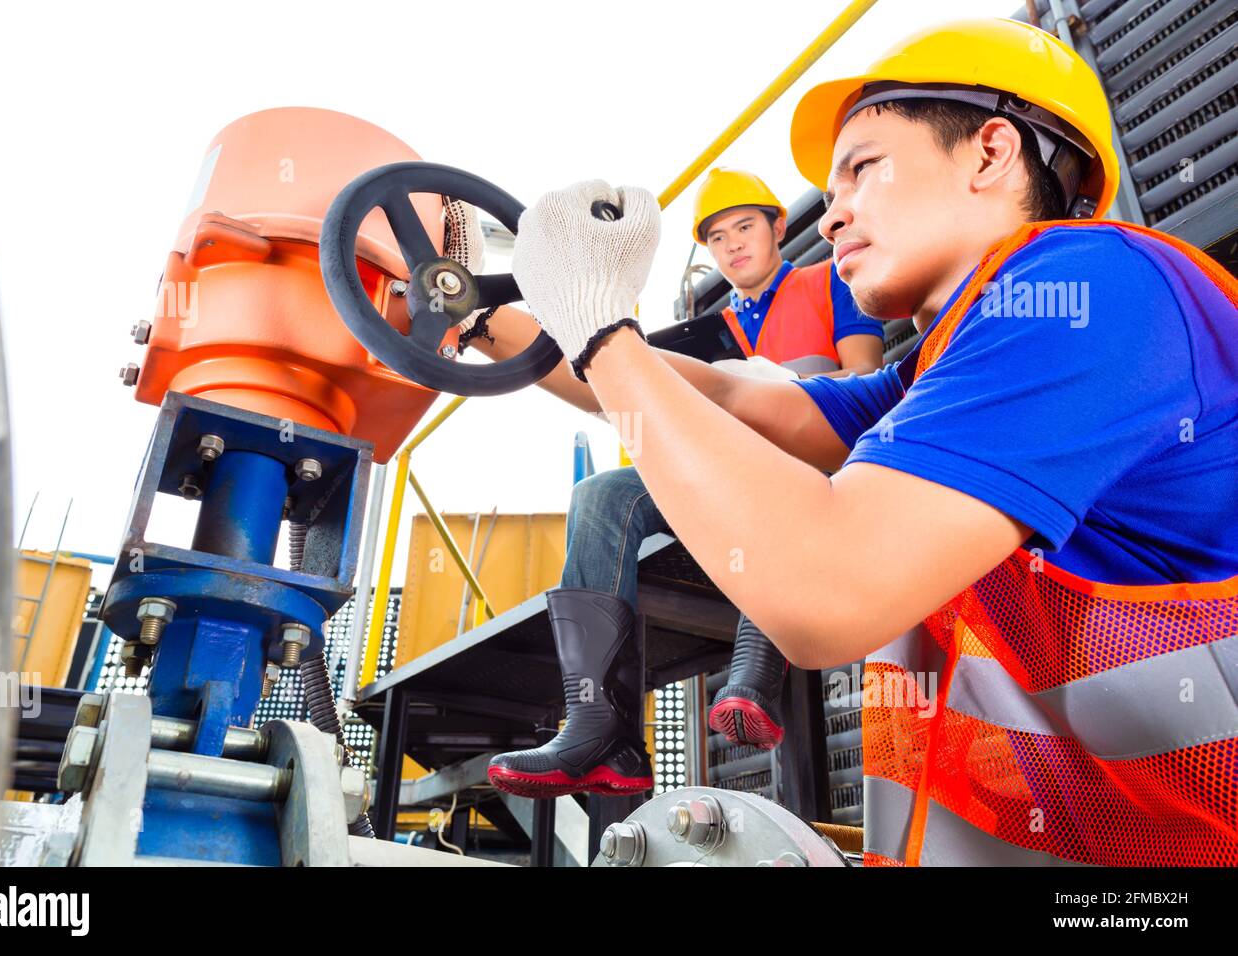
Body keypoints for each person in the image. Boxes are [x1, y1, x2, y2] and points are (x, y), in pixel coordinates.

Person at [492, 17, 1238, 866]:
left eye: (862, 168)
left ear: (991, 152)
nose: (834, 213)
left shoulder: (1087, 290)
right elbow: (738, 398)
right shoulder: (946, 373)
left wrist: (601, 334)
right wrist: (496, 323)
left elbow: (826, 589)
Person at [451, 171, 883, 797]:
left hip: (814, 466)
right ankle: (604, 728)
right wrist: (481, 323)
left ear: (778, 228)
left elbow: (861, 383)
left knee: (777, 469)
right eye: (716, 237)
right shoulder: (712, 331)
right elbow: (622, 390)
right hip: (730, 473)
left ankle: (758, 668)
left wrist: (764, 385)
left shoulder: (831, 281)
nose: (732, 245)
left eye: (744, 227)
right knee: (601, 497)